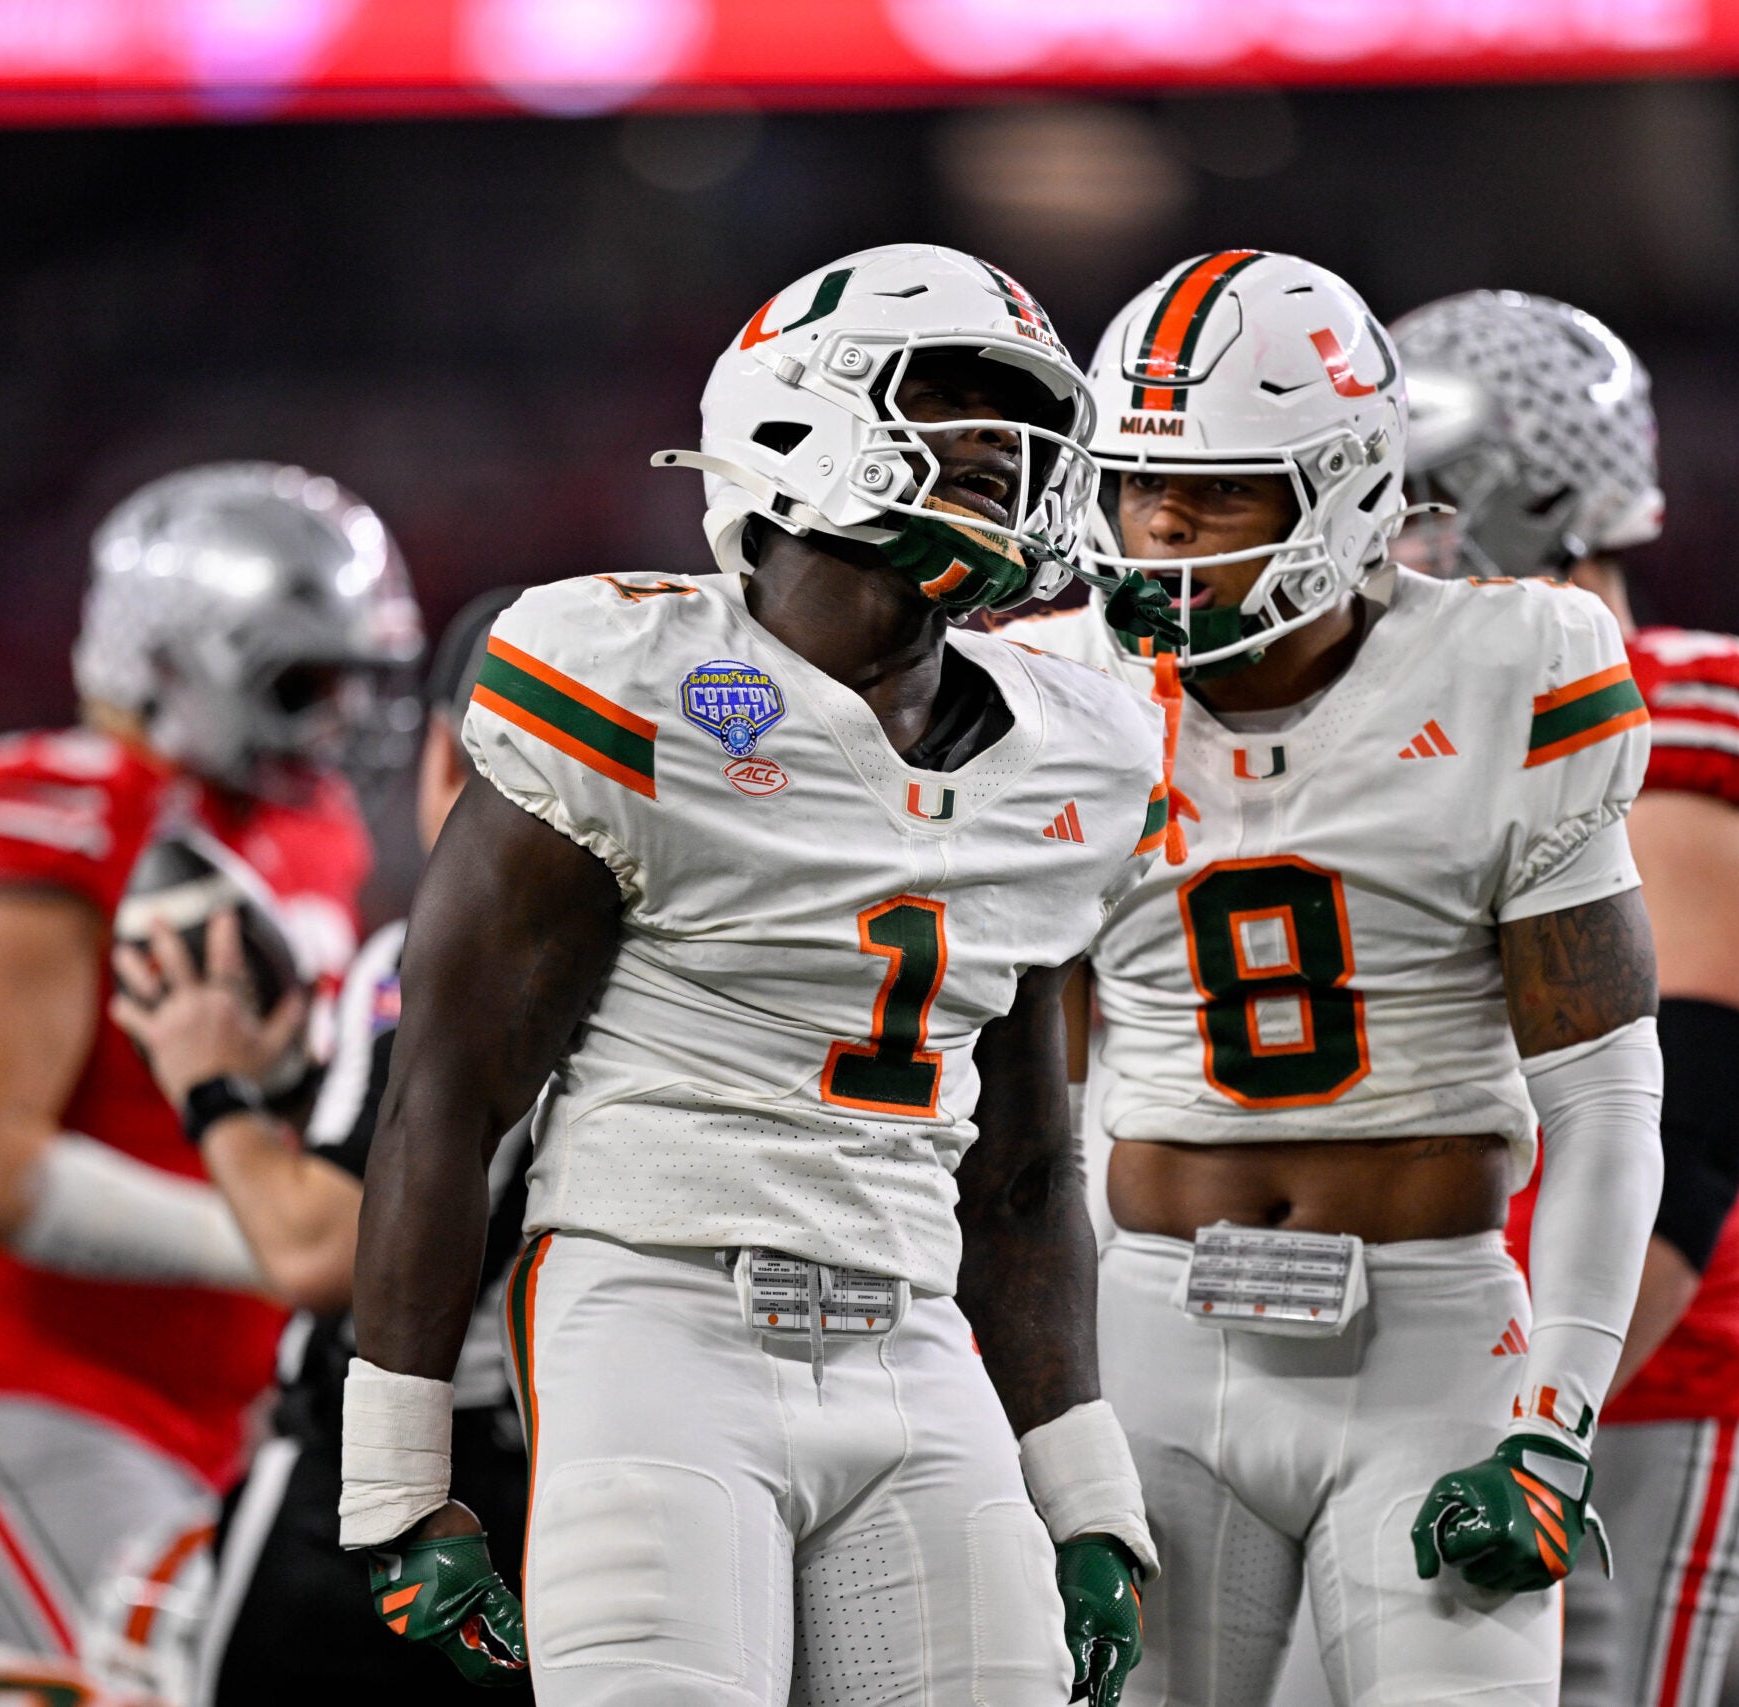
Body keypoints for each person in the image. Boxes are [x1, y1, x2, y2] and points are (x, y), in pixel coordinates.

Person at [344, 243, 1180, 1706]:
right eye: (959, 398)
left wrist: (1082, 1480)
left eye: (1024, 416)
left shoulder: (1079, 739)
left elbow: (1031, 1164)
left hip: (917, 1331)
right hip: (656, 1310)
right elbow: (449, 1093)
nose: (1008, 446)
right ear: (799, 414)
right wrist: (398, 1474)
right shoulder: (626, 672)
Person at [1006, 250, 1665, 1707]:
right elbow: (1014, 1132)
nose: (1160, 526)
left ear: (1351, 492)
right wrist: (1037, 1433)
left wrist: (1551, 1426)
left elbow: (1610, 1095)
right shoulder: (1053, 695)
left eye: (1221, 488)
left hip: (1432, 1348)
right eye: (1133, 482)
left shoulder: (1515, 665)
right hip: (1152, 1336)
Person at [0, 463, 419, 1653]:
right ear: (170, 663)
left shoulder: (310, 830)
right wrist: (273, 1246)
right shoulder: (51, 805)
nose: (340, 724)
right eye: (303, 683)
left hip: (228, 1414)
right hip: (36, 1395)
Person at [1395, 289, 1739, 1707]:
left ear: (1509, 504)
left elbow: (1687, 1149)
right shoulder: (1391, 725)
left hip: (1636, 1398)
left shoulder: (1692, 716)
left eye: (1403, 496)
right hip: (1417, 1378)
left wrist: (1527, 1427)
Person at [96, 591, 539, 1703]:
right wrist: (305, 1078)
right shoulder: (687, 960)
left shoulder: (442, 953)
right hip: (586, 1479)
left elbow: (327, 1249)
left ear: (449, 750)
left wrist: (211, 1086)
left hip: (394, 1482)